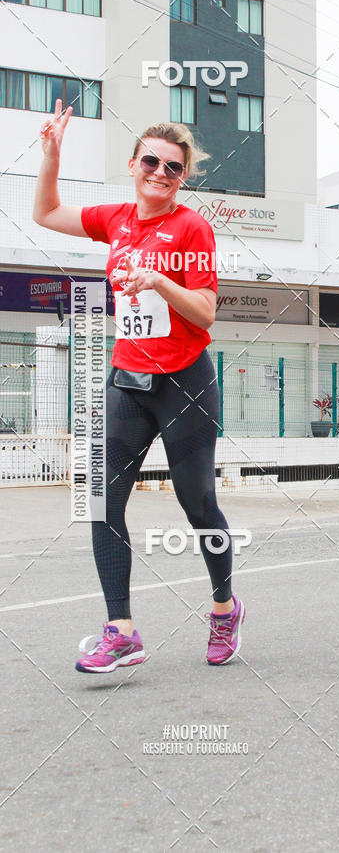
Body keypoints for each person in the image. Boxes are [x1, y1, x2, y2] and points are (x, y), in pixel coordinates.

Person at [34, 100, 245, 673]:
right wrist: (51, 154)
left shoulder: (191, 228)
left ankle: (224, 607)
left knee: (198, 504)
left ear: (183, 178)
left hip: (185, 383)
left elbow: (204, 312)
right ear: (133, 164)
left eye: (173, 168)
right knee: (100, 500)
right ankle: (120, 629)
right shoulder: (117, 219)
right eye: (150, 161)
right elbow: (47, 212)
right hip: (128, 380)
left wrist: (159, 279)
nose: (160, 172)